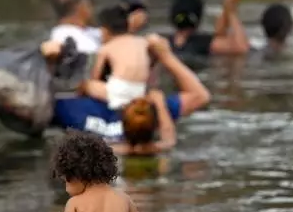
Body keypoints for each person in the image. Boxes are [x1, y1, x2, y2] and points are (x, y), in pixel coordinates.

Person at [47, 34, 210, 140]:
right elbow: (201, 96)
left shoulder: (70, 109)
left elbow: (32, 104)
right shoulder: (150, 112)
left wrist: (47, 61)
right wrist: (166, 56)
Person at [80, 5, 151, 110]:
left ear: (104, 30)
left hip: (117, 92)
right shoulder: (141, 42)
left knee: (87, 84)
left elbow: (95, 76)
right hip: (140, 91)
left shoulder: (106, 48)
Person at [48, 0, 148, 55]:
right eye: (88, 4)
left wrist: (130, 25)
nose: (92, 8)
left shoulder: (84, 31)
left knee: (151, 43)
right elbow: (95, 58)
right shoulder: (66, 36)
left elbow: (110, 35)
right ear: (79, 7)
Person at [163, 0, 250, 59]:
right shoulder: (203, 43)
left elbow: (219, 35)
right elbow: (241, 48)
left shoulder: (163, 44)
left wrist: (226, 8)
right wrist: (231, 11)